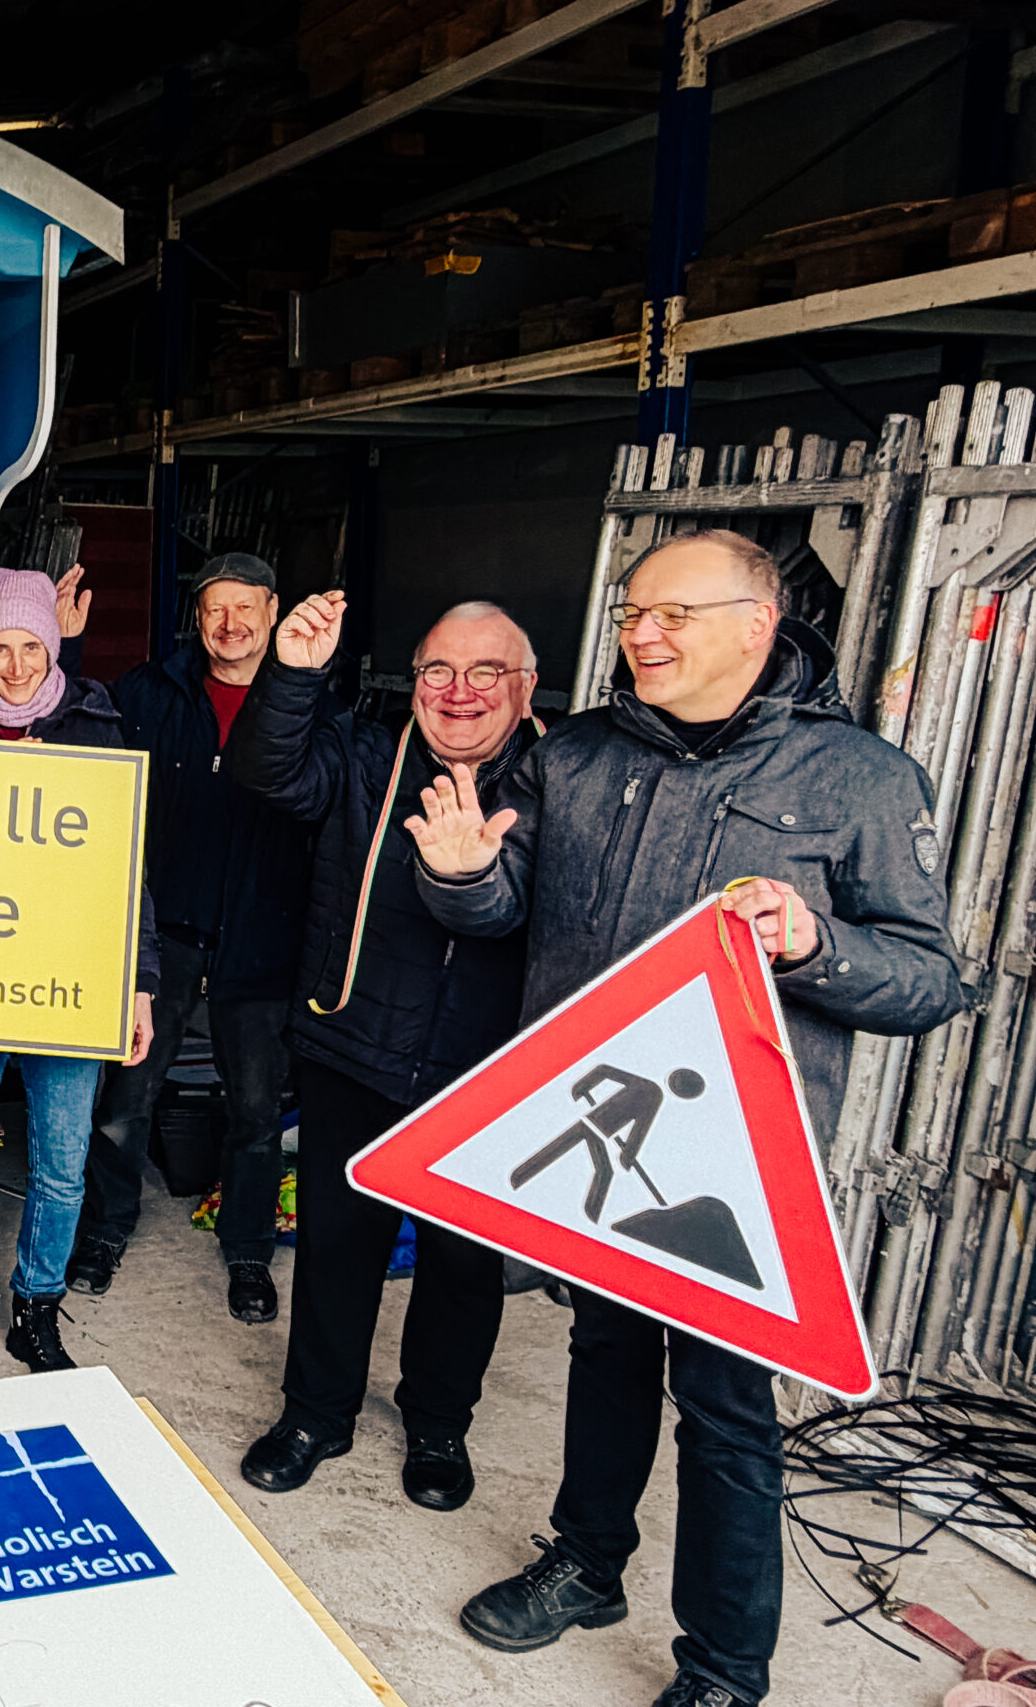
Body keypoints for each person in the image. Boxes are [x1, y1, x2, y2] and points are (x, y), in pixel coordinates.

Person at [410, 531, 968, 1707]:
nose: (639, 635)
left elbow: (929, 981)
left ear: (758, 623)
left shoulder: (857, 780)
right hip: (598, 1145)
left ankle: (722, 1668)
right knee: (601, 1354)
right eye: (629, 614)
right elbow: (509, 908)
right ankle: (586, 1562)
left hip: (736, 1166)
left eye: (670, 614)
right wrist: (461, 876)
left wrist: (816, 942)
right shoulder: (581, 757)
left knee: (726, 1414)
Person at [225, 591, 541, 1511]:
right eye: (439, 670)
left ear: (526, 687)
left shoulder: (560, 781)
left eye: (487, 672)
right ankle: (316, 1414)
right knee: (338, 1245)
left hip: (486, 1071)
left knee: (464, 1263)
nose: (460, 691)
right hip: (352, 1043)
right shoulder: (367, 755)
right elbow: (266, 769)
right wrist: (293, 673)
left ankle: (439, 1424)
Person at [0, 568, 157, 1385]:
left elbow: (128, 876)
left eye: (31, 645)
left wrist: (141, 982)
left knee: (62, 1164)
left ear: (51, 646)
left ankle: (35, 1313)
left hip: (71, 983)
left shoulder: (95, 727)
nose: (16, 664)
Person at [76, 552, 314, 1324]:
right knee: (126, 1095)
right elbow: (81, 738)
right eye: (216, 608)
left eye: (247, 608)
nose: (231, 624)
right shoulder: (149, 692)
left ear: (273, 613)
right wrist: (69, 646)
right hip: (162, 937)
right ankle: (106, 1229)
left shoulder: (306, 703)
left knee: (253, 1107)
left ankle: (248, 1247)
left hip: (262, 939)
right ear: (198, 614)